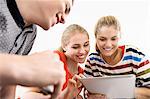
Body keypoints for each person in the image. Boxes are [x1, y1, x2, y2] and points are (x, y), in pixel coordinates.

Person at [0, 0, 74, 98]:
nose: (64, 20)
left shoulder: (30, 34)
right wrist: (24, 65)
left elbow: (8, 87)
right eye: (66, 8)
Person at [83, 15, 150, 99]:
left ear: (119, 37)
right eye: (102, 39)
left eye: (113, 39)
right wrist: (90, 96)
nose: (108, 45)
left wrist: (120, 91)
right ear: (96, 38)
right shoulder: (92, 61)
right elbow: (86, 92)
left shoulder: (135, 56)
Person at [20, 24, 90, 99]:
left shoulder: (81, 74)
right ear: (64, 46)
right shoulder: (54, 60)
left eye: (86, 45)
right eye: (75, 47)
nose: (82, 51)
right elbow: (26, 95)